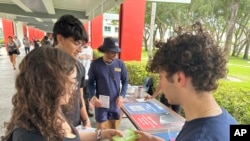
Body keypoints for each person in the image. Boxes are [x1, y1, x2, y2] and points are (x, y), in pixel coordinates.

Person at [136, 22, 237, 141]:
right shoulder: (227, 120)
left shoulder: (198, 136)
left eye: (161, 77)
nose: (160, 84)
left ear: (179, 79)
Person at [1, 47, 123, 141]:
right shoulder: (29, 136)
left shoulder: (49, 110)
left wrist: (101, 134)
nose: (73, 89)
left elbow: (67, 136)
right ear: (47, 85)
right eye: (69, 83)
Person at [53, 14, 91, 128]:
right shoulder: (42, 66)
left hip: (75, 126)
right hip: (50, 129)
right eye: (76, 43)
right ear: (60, 39)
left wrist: (86, 119)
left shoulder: (79, 67)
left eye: (82, 45)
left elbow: (79, 95)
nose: (79, 49)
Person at [88, 37, 128, 129]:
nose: (115, 54)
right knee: (101, 131)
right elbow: (90, 83)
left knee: (113, 131)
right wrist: (93, 97)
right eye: (112, 51)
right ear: (105, 50)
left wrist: (122, 96)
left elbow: (125, 81)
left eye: (116, 52)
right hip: (101, 104)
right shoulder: (95, 65)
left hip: (115, 104)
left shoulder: (120, 64)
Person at [78, 44, 94, 117]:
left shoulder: (90, 49)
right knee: (78, 95)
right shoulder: (78, 49)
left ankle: (87, 112)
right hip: (78, 75)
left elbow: (90, 59)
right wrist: (80, 56)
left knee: (86, 95)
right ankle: (79, 113)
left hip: (87, 76)